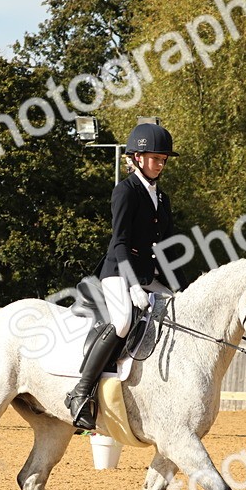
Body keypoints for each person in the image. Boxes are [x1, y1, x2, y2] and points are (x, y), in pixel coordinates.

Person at [64, 122, 188, 430]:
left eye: (164, 159)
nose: (161, 164)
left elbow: (169, 248)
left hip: (149, 274)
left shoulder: (163, 198)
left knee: (181, 314)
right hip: (118, 271)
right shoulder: (125, 191)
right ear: (137, 157)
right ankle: (80, 392)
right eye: (156, 158)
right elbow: (119, 242)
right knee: (122, 321)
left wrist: (186, 289)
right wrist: (132, 285)